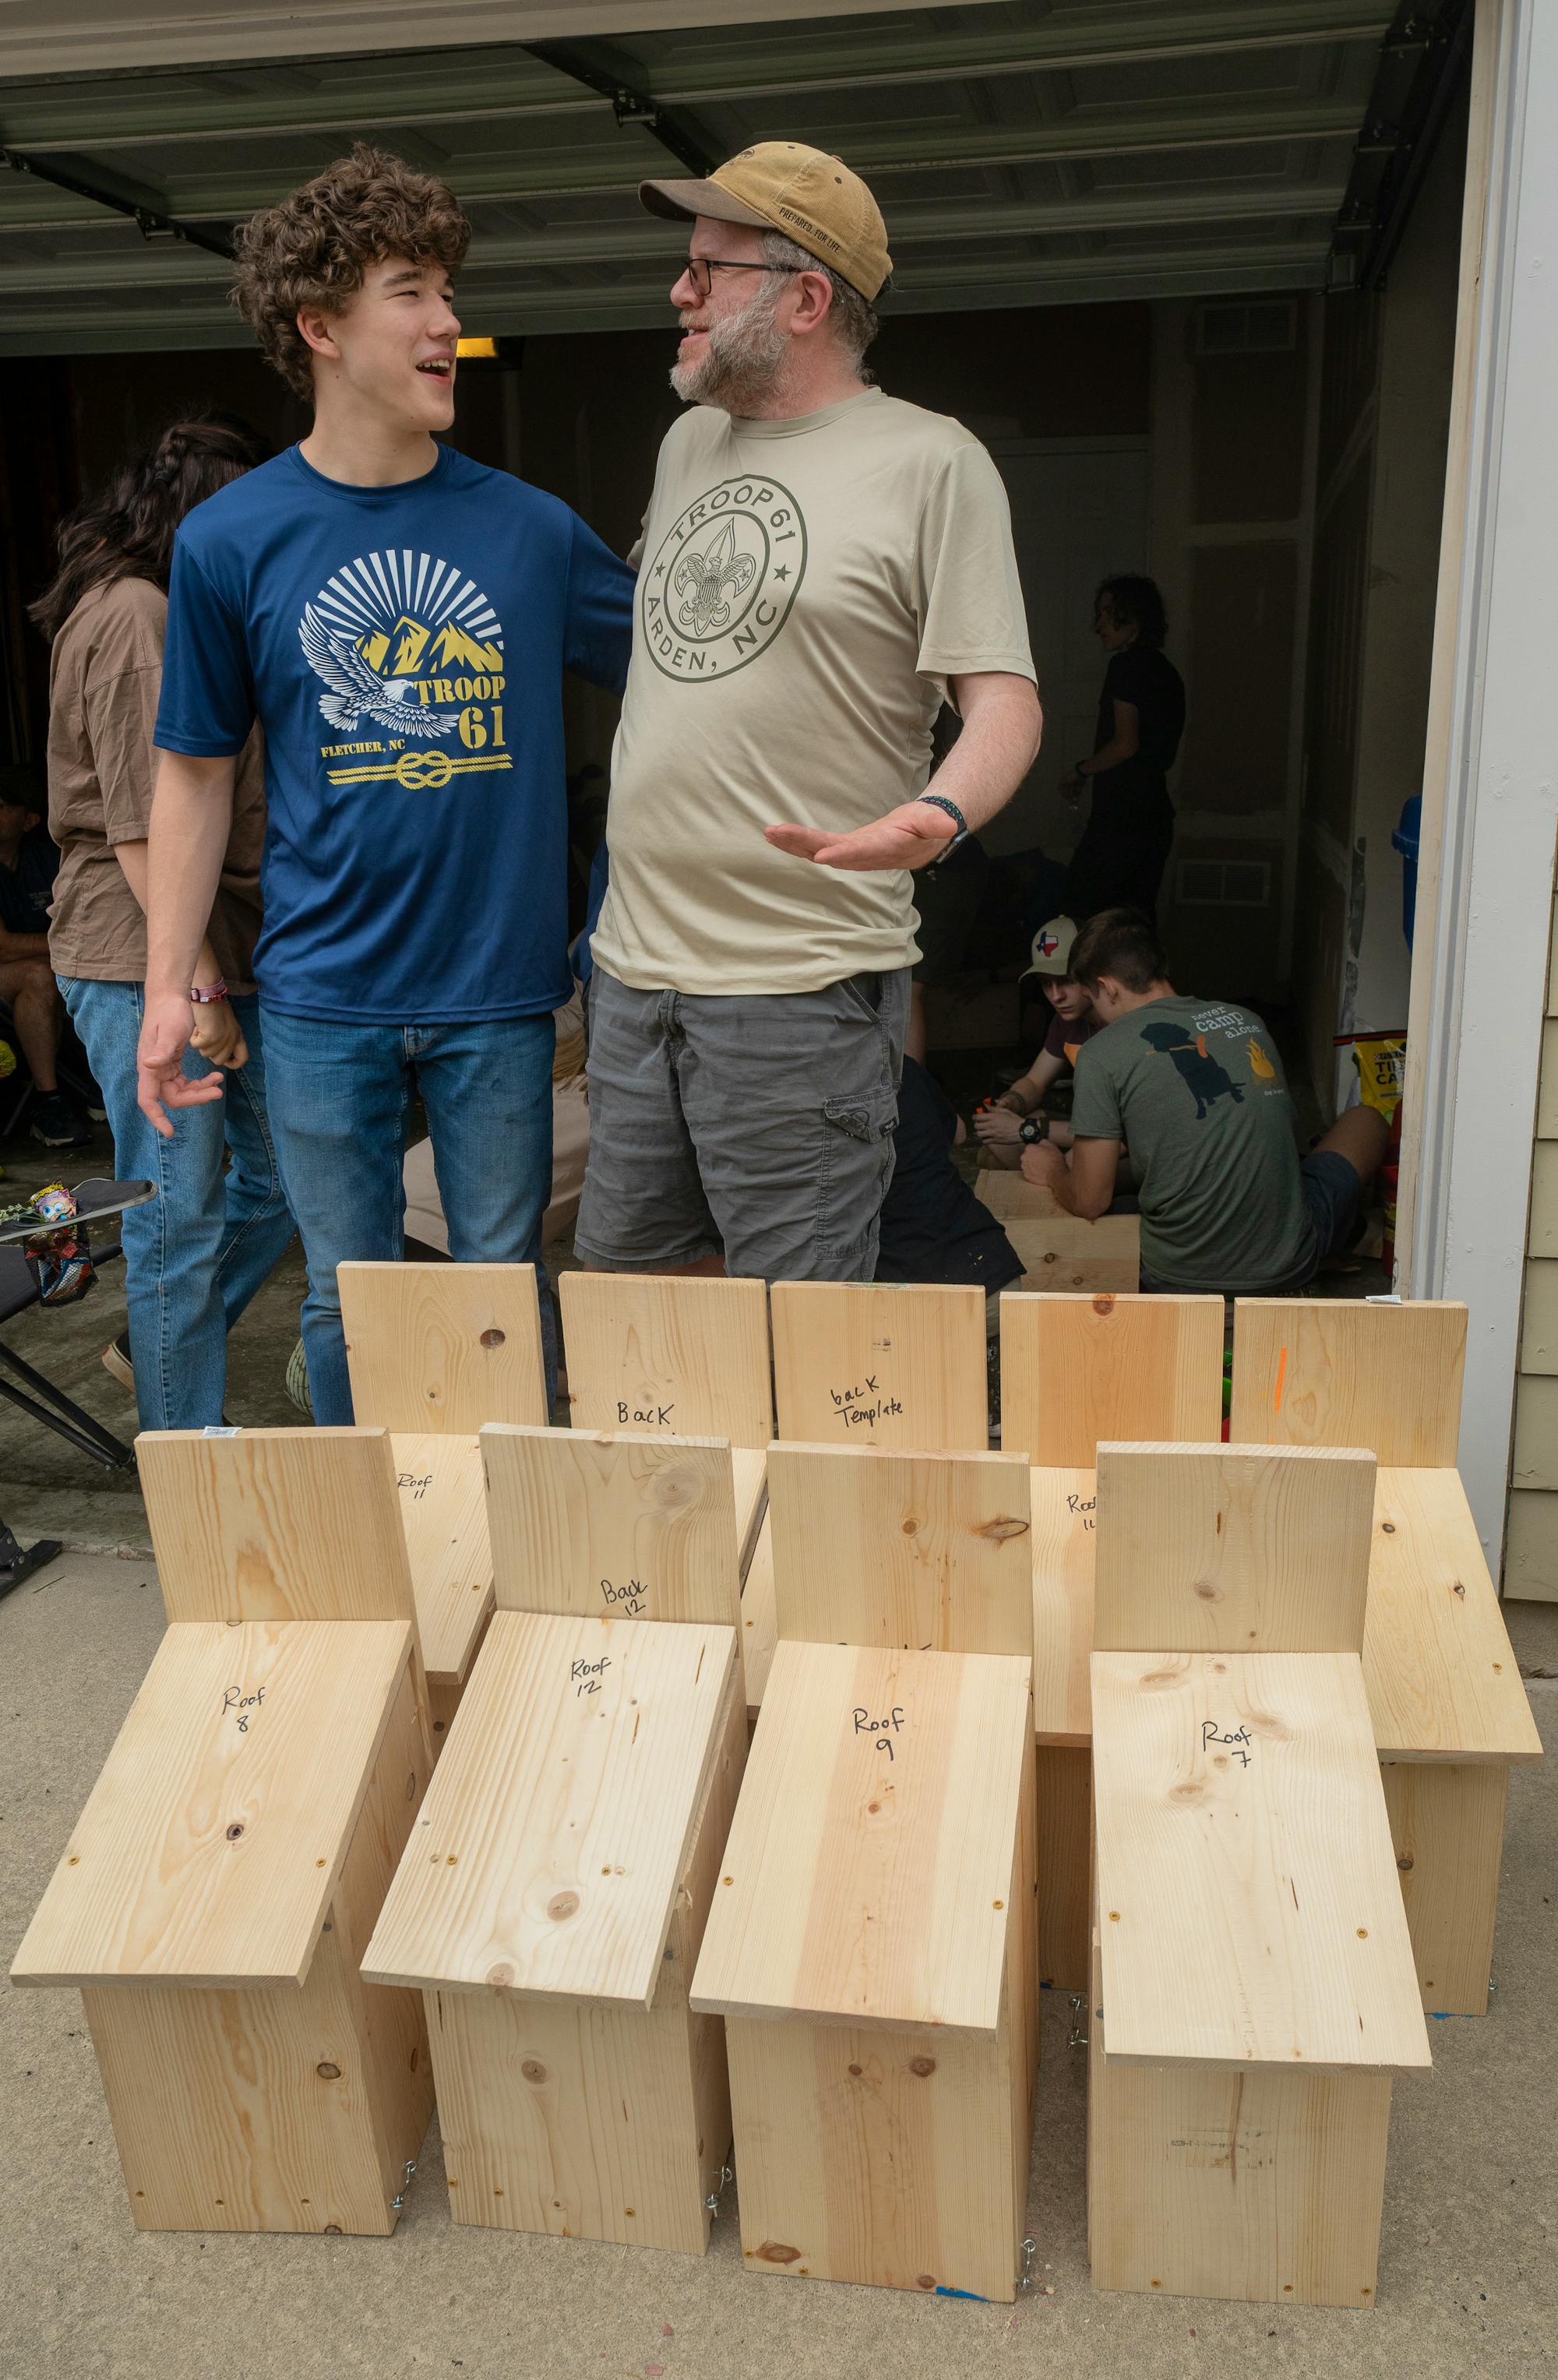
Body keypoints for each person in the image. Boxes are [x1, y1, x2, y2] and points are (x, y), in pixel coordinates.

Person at [135, 146, 636, 1421]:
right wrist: (166, 990)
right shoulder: (231, 540)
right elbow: (189, 779)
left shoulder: (528, 529)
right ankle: (385, 1552)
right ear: (321, 327)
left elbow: (683, 686)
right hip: (318, 994)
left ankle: (506, 1543)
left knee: (499, 1286)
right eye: (411, 291)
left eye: (449, 290)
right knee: (343, 1296)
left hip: (501, 990)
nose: (448, 321)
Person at [578, 140, 1042, 1284]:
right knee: (631, 1313)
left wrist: (935, 816)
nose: (678, 293)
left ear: (806, 298)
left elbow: (1005, 701)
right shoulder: (690, 441)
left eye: (707, 269)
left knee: (797, 1331)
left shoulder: (934, 462)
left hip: (798, 984)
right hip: (635, 979)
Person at [32, 416, 297, 1425]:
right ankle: (186, 1442)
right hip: (142, 954)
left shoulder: (150, 605)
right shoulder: (137, 617)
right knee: (174, 1212)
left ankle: (159, 1355)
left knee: (272, 1181)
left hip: (195, 952)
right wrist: (196, 991)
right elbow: (146, 831)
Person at [1017, 908, 1387, 1296]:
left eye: (1092, 997)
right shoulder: (1247, 1020)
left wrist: (1054, 1170)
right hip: (1289, 1261)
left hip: (1179, 1275)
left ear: (1107, 987)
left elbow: (1091, 1200)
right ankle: (1353, 1229)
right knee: (1366, 1120)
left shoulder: (1100, 1054)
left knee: (1087, 1189)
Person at [1056, 576, 1184, 925]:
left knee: (1082, 914)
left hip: (1122, 818)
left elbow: (1126, 744)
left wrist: (1082, 770)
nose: (1099, 625)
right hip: (1155, 815)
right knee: (1135, 923)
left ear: (1135, 617)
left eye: (1109, 613)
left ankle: (1070, 981)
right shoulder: (1167, 673)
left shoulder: (1126, 668)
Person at [877, 1054, 1023, 1297]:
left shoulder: (816, 1088)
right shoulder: (899, 1064)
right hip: (994, 1273)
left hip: (924, 1298)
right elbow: (959, 1134)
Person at [0, 761, 90, 1149]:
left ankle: (88, 1085)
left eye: (2, 805)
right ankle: (49, 1099)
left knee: (81, 972)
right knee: (42, 974)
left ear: (29, 819)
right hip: (27, 973)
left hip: (45, 975)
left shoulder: (45, 859)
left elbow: (85, 924)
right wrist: (63, 945)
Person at [973, 914, 1100, 1167]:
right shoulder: (1066, 1021)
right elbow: (1034, 1081)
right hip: (1089, 1128)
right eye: (1045, 983)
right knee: (991, 1150)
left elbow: (1118, 1133)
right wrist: (1011, 1102)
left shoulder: (1117, 1022)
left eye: (1065, 981)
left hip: (1118, 1142)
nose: (1056, 996)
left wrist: (1025, 1127)